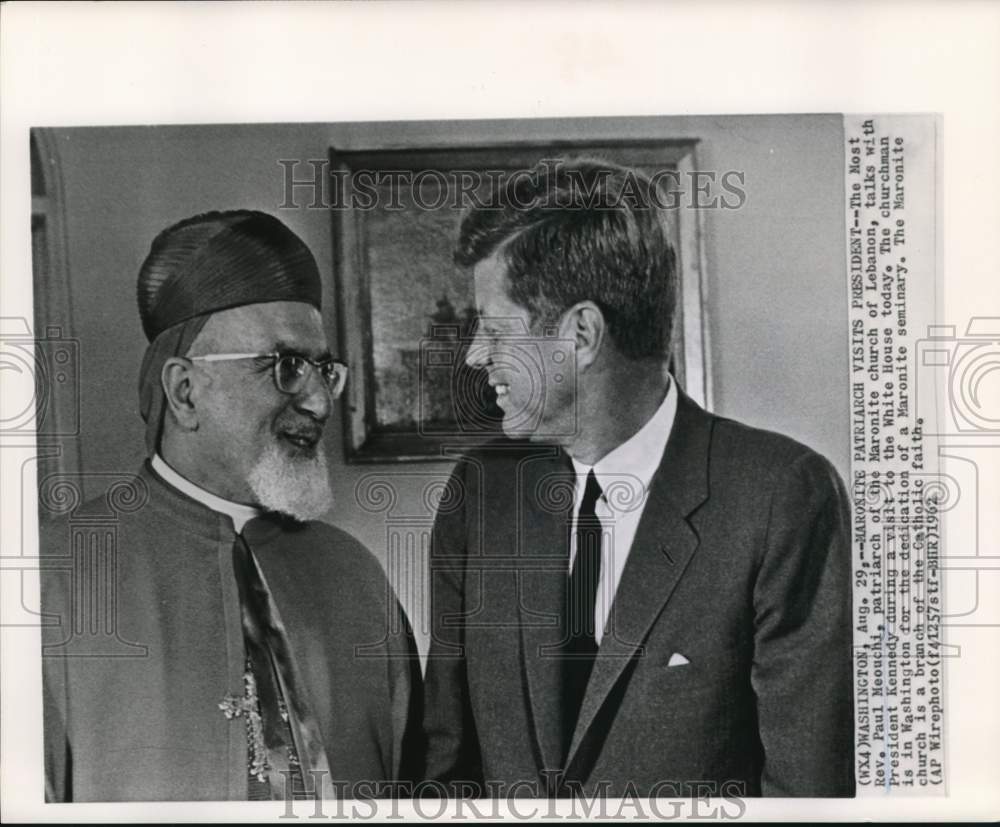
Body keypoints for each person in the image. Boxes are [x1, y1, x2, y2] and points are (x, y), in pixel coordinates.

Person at [422, 159, 854, 798]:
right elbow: (446, 768)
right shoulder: (481, 494)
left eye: (492, 328)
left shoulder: (781, 497)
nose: (475, 355)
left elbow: (808, 795)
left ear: (582, 334)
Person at [41, 210, 422, 802]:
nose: (320, 402)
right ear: (185, 391)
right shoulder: (52, 578)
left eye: (324, 369)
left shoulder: (357, 576)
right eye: (286, 367)